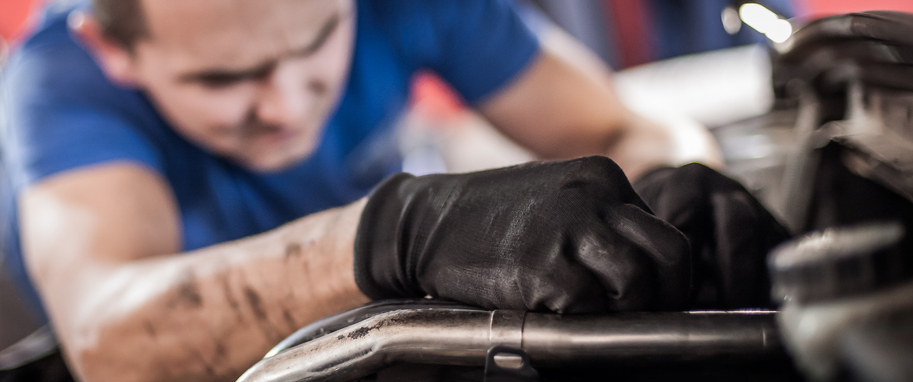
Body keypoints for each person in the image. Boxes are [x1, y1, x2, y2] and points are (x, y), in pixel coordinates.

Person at [0, 0, 788, 380]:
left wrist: (673, 180)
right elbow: (104, 336)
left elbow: (627, 128)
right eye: (223, 78)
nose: (283, 104)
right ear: (114, 50)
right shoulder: (55, 86)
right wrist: (392, 236)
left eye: (314, 45)